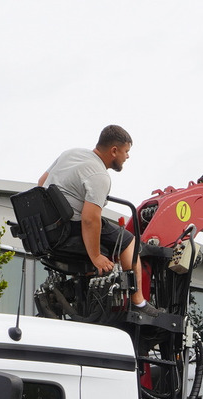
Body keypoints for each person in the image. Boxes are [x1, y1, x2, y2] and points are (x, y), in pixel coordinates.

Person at [38, 125, 159, 315]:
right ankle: (138, 302)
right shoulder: (99, 175)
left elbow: (41, 184)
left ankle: (87, 291)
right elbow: (90, 219)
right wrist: (96, 257)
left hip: (48, 229)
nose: (127, 156)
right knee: (128, 241)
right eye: (126, 151)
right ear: (114, 151)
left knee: (106, 238)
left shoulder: (71, 153)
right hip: (69, 229)